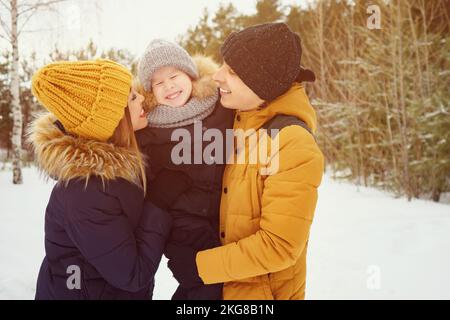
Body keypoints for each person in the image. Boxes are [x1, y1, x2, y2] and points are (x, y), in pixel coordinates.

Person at [165, 22, 325, 300]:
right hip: (221, 291)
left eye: (232, 72)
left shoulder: (292, 144)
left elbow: (279, 246)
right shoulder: (239, 120)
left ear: (263, 85)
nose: (217, 76)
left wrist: (199, 267)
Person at [29, 59, 179, 299]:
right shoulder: (84, 193)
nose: (141, 98)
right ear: (112, 120)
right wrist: (158, 204)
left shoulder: (117, 160)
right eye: (131, 97)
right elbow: (133, 275)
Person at [135, 39, 233, 299]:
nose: (168, 86)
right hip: (181, 225)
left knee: (231, 285)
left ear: (190, 74)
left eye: (174, 75)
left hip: (224, 216)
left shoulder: (221, 106)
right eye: (158, 83)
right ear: (150, 91)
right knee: (206, 282)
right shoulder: (148, 128)